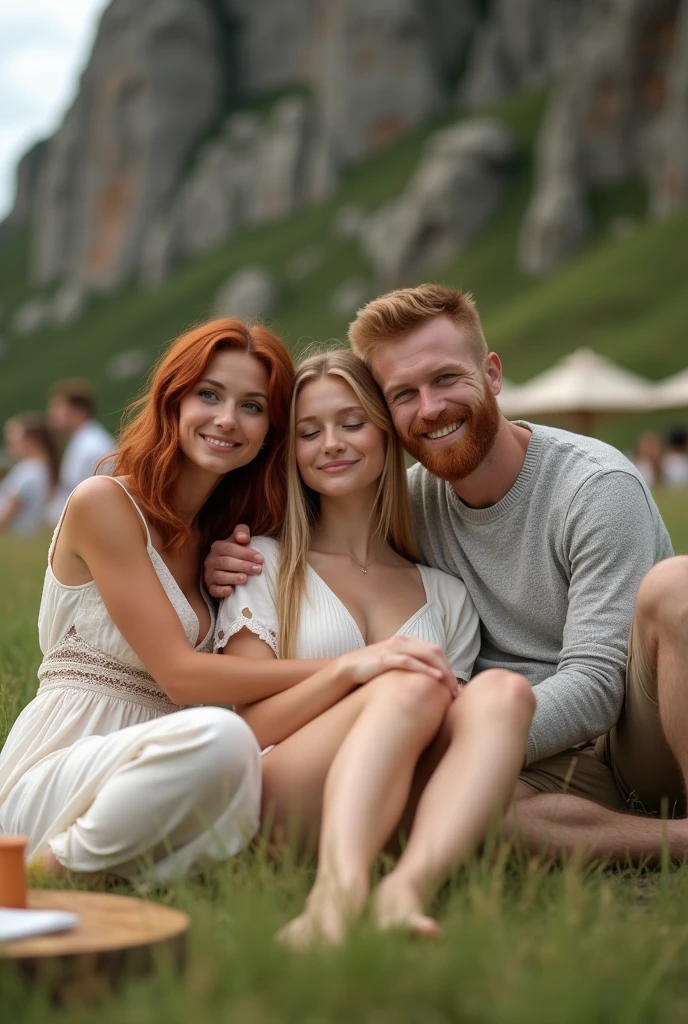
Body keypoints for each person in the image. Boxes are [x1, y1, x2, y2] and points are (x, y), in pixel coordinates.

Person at [206, 283, 688, 868]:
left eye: (445, 379)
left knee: (677, 586)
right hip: (531, 760)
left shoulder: (592, 488)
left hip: (636, 730)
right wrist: (226, 552)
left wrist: (472, 736)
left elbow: (594, 685)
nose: (429, 408)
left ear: (492, 373)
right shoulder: (412, 505)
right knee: (454, 814)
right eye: (404, 393)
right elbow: (327, 506)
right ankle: (673, 842)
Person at [214, 349, 534, 946]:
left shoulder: (445, 595)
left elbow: (451, 738)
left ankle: (405, 888)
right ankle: (334, 898)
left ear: (385, 434)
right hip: (282, 796)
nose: (331, 443)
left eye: (352, 423)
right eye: (310, 432)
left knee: (505, 691)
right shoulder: (264, 564)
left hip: (403, 799)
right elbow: (246, 729)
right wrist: (352, 672)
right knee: (410, 677)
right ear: (294, 453)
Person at [1, 318, 319, 882]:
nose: (227, 419)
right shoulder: (105, 504)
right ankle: (38, 879)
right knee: (225, 743)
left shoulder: (220, 542)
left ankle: (126, 873)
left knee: (266, 767)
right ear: (173, 399)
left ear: (271, 430)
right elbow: (180, 676)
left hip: (163, 766)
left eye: (252, 406)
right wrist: (349, 669)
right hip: (62, 766)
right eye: (209, 394)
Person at [45, 379, 115, 524]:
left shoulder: (91, 447)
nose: (52, 414)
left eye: (57, 407)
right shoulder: (82, 442)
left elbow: (81, 497)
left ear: (78, 411)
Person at [0, 413, 59, 534]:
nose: (9, 447)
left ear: (31, 441)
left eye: (13, 441)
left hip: (17, 540)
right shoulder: (43, 469)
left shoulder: (27, 473)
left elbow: (5, 518)